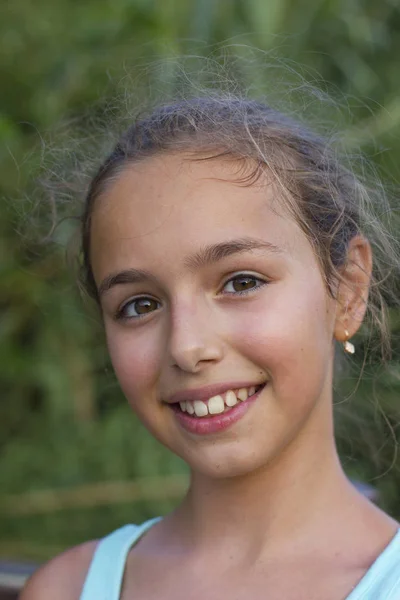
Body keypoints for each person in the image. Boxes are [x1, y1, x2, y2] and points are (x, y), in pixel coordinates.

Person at [21, 95, 400, 600]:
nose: (186, 346)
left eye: (241, 282)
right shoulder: (66, 590)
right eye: (139, 305)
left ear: (348, 288)